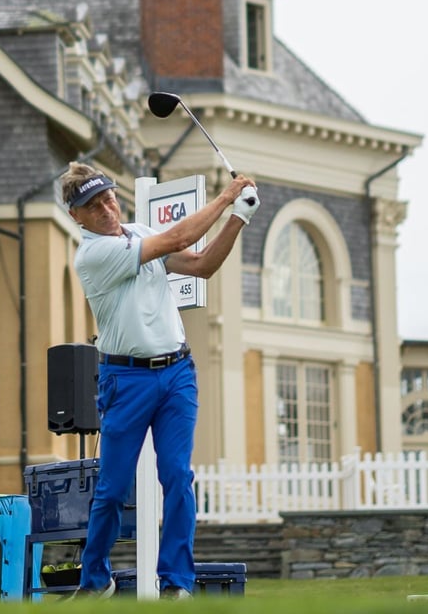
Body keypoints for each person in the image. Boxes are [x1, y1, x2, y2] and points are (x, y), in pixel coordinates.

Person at [58, 163, 259, 599]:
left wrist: (238, 218)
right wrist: (226, 198)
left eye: (109, 197)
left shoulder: (136, 233)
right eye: (93, 206)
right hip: (125, 379)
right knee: (111, 488)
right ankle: (96, 580)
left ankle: (177, 584)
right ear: (77, 216)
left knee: (177, 476)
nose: (107, 209)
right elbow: (179, 238)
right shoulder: (93, 256)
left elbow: (202, 265)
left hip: (176, 373)